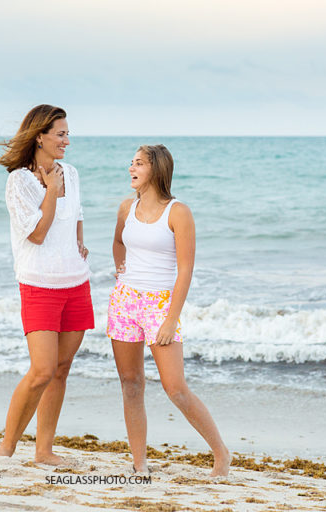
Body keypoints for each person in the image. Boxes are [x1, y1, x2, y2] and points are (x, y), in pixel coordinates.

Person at [108, 144, 230, 476]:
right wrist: (121, 269)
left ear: (157, 169)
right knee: (130, 383)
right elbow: (119, 242)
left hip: (160, 305)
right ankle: (139, 464)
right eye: (131, 162)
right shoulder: (125, 208)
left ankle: (221, 454)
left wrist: (171, 317)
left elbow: (186, 270)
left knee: (174, 387)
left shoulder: (178, 212)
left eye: (139, 164)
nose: (131, 168)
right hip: (124, 302)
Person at [0, 104, 93, 465]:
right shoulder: (19, 181)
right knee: (41, 371)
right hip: (38, 284)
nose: (67, 140)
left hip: (76, 283)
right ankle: (6, 447)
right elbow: (37, 234)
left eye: (68, 133)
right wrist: (51, 189)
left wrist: (80, 244)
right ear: (40, 136)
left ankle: (43, 450)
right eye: (61, 134)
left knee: (61, 370)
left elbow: (77, 214)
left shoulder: (72, 172)